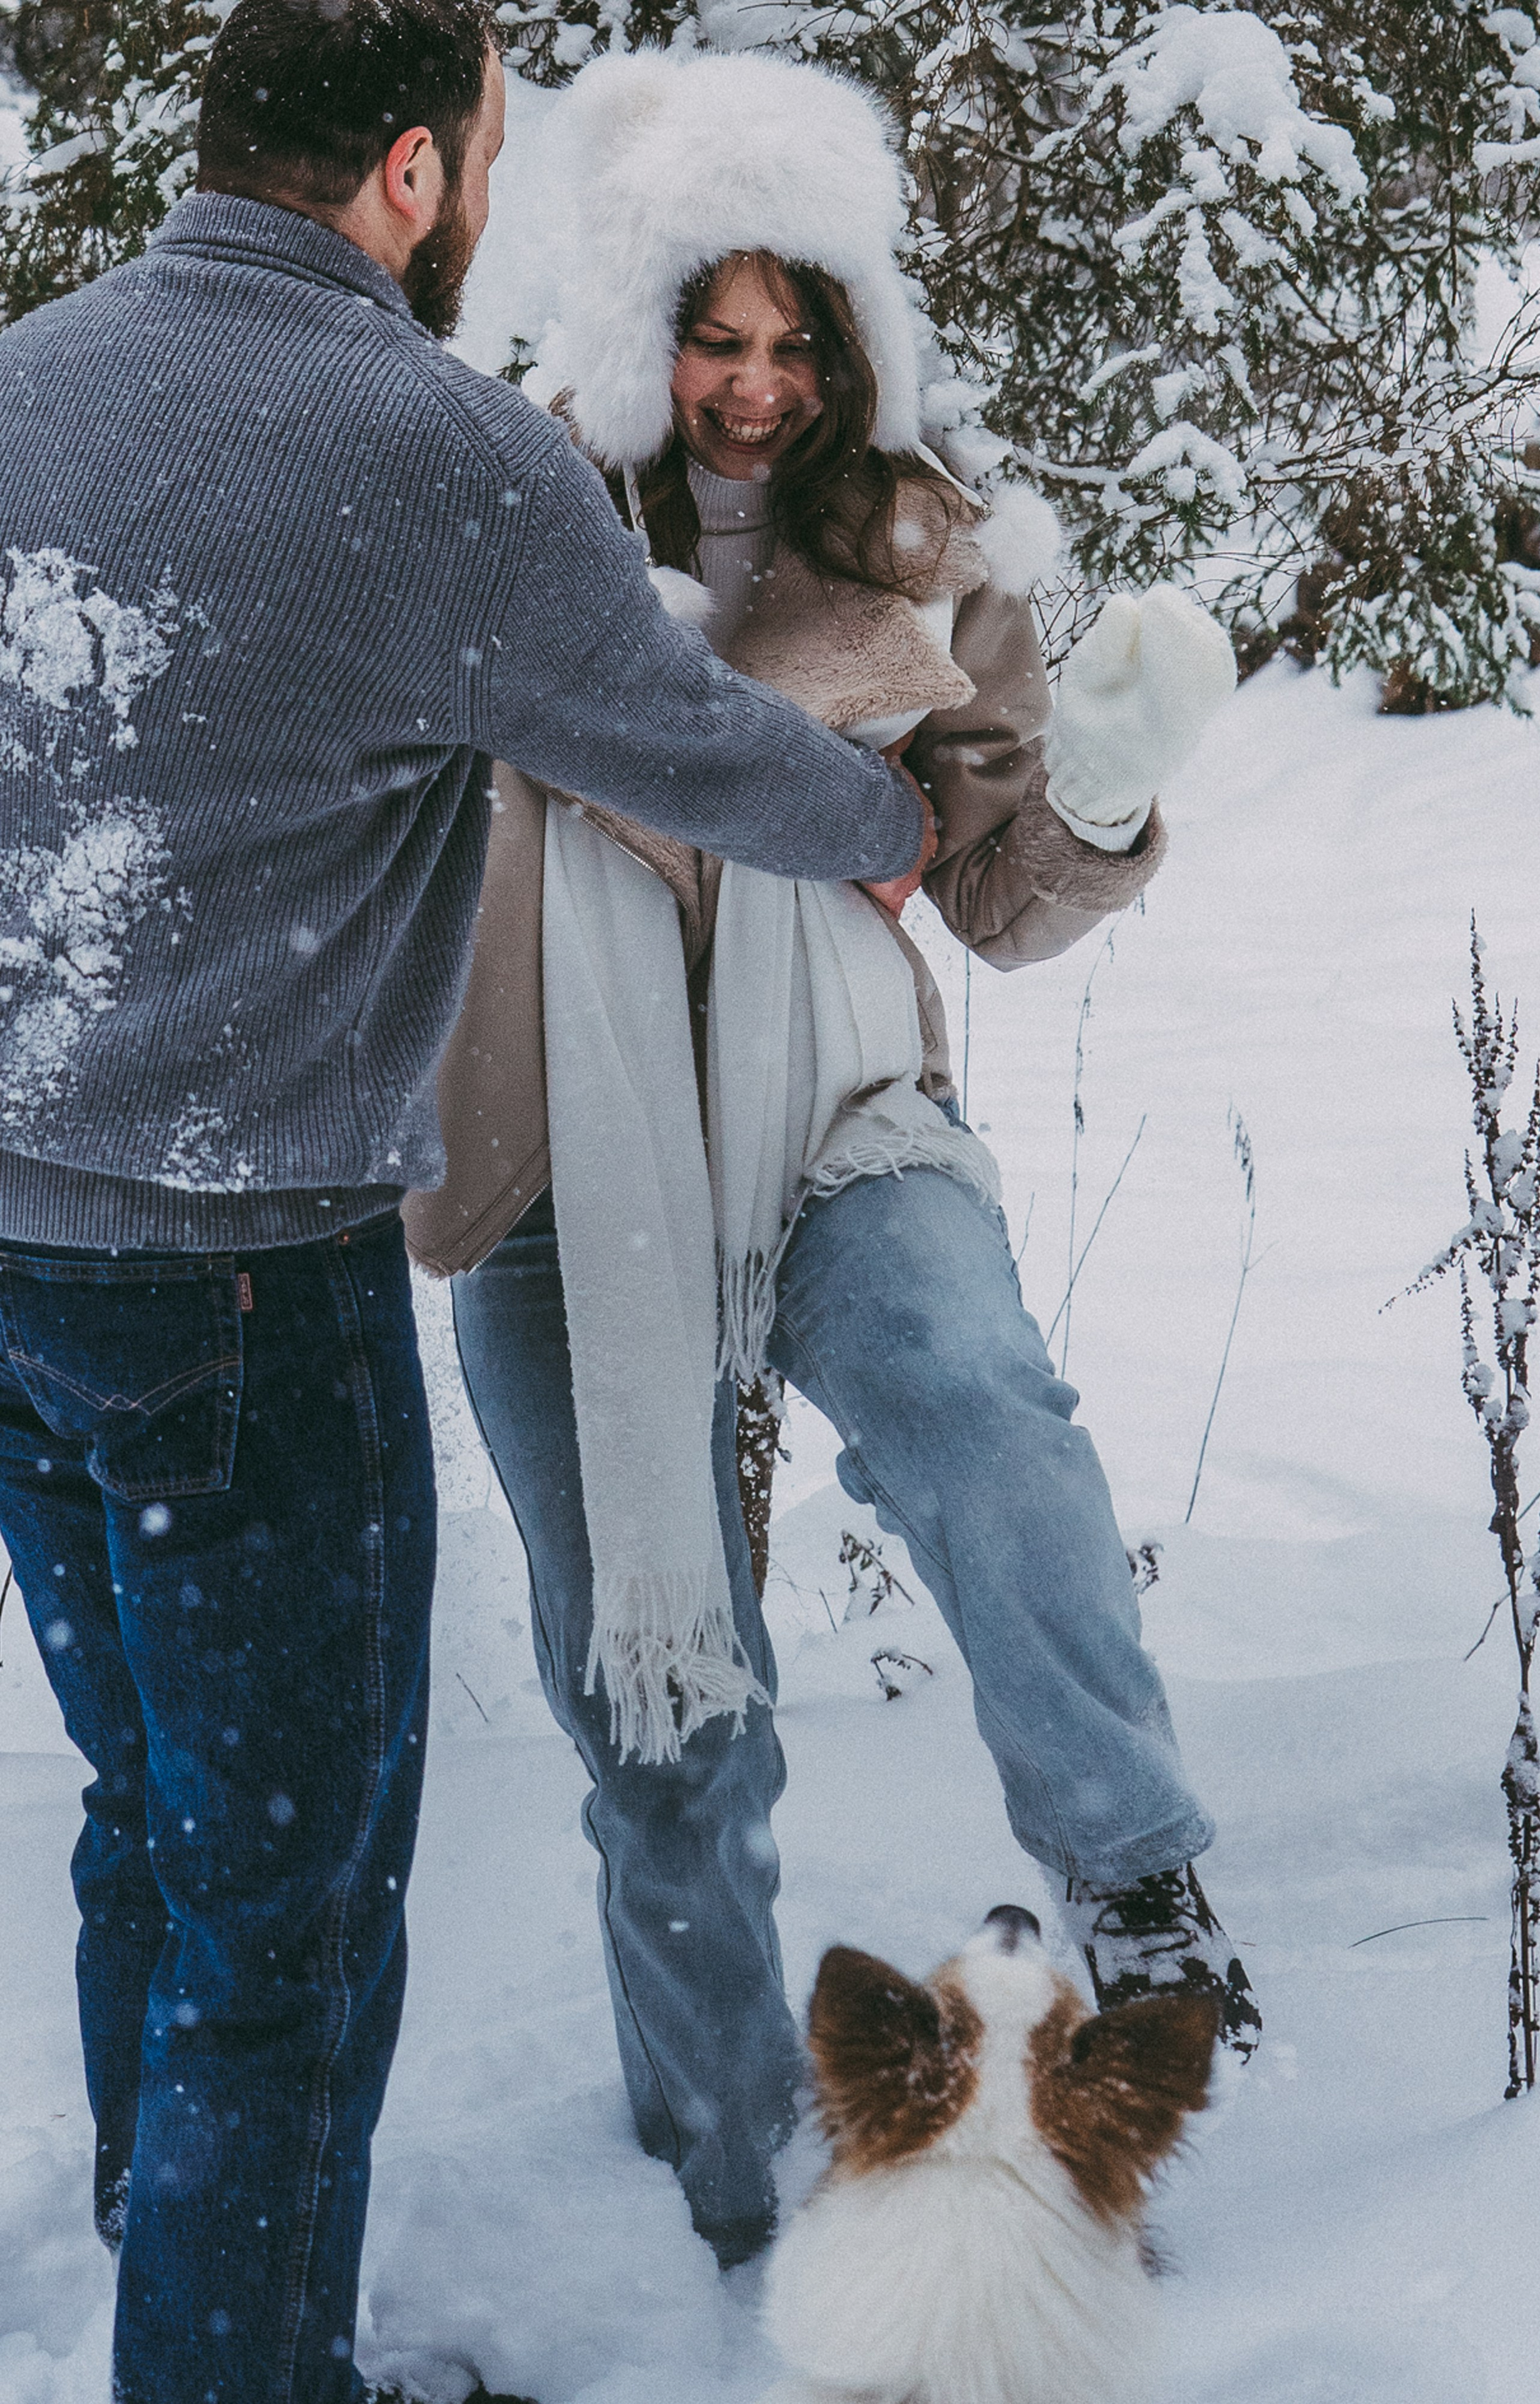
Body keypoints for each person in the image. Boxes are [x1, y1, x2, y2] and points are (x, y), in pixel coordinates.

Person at [0, 3, 927, 2396]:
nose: (488, 201)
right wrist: (889, 816)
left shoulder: (25, 383)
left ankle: (164, 2236)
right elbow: (686, 738)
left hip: (14, 1264)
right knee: (289, 1912)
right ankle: (230, 2364)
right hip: (237, 1296)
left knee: (156, 1808)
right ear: (412, 171)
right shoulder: (435, 452)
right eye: (487, 155)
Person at [404, 48, 1259, 2276]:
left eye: (797, 340)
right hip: (567, 1156)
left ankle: (1137, 1874)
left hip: (842, 1122)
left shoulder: (922, 553)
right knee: (665, 1714)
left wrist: (1097, 795)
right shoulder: (506, 522)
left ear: (856, 342)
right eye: (715, 333)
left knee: (979, 1408)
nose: (757, 385)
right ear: (640, 327)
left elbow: (993, 900)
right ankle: (729, 2184)